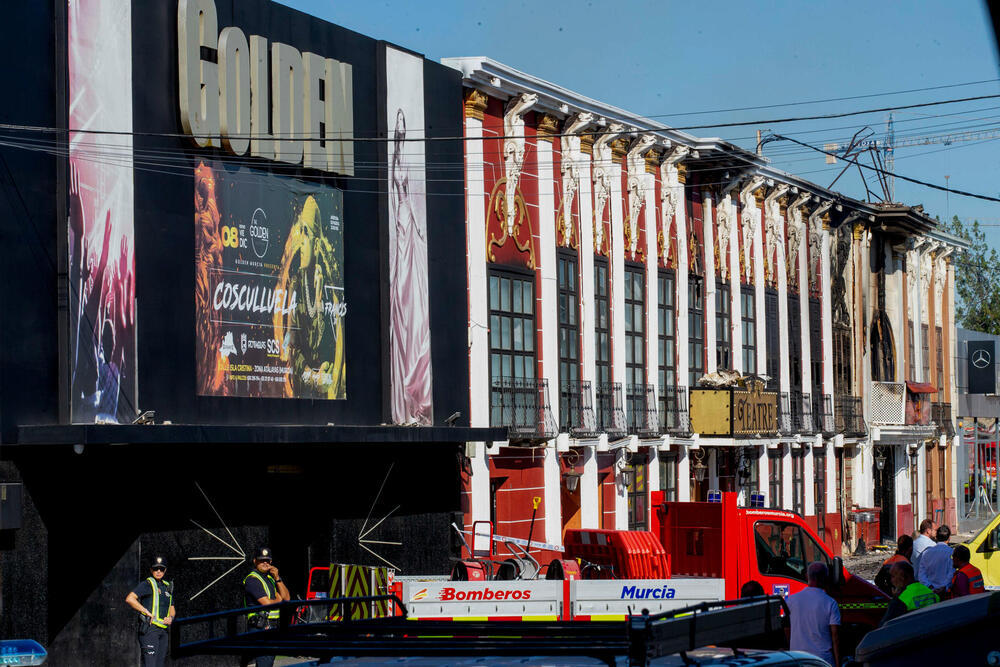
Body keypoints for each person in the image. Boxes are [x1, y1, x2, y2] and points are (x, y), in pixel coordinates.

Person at [784, 562, 840, 666]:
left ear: (807, 576)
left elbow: (787, 629)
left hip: (798, 658)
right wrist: (837, 663)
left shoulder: (791, 600)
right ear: (825, 578)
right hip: (822, 659)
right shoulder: (830, 603)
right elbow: (835, 636)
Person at [243, 547, 290, 667]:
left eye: (267, 560)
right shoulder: (252, 580)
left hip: (272, 627)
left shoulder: (271, 578)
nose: (265, 563)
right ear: (255, 561)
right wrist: (279, 599)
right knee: (265, 662)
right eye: (261, 560)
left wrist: (277, 578)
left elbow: (287, 598)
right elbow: (268, 603)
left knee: (267, 661)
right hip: (259, 627)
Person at [125, 555, 175, 667]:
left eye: (161, 569)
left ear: (165, 570)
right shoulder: (147, 584)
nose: (158, 571)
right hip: (149, 630)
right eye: (155, 568)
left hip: (163, 632)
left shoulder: (167, 587)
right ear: (151, 570)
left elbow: (172, 609)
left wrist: (171, 618)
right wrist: (145, 611)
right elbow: (130, 598)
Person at [880, 561, 939, 625]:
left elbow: (884, 625)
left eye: (893, 576)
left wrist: (894, 599)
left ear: (902, 577)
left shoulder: (901, 600)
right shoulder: (932, 594)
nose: (891, 580)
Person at [916, 525, 953, 595]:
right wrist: (944, 587)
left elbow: (921, 574)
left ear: (936, 537)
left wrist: (930, 587)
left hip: (929, 592)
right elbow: (951, 573)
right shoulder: (951, 552)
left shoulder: (926, 552)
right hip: (945, 593)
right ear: (949, 538)